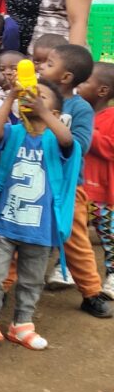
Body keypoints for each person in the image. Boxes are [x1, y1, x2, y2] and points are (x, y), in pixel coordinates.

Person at [0, 80, 80, 350]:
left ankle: (22, 323)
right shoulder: (13, 132)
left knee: (31, 279)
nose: (33, 98)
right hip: (5, 222)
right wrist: (11, 98)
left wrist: (42, 112)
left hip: (41, 228)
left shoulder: (57, 140)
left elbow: (68, 140)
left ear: (55, 114)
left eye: (41, 97)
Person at [38, 45, 112, 317]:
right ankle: (0, 290)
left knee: (76, 240)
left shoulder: (79, 108)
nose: (40, 67)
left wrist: (45, 116)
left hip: (69, 187)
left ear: (65, 77)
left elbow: (80, 145)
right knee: (20, 239)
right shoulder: (35, 96)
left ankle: (91, 292)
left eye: (48, 64)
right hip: (35, 182)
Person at [77, 62, 114, 299]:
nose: (79, 86)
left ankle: (113, 274)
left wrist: (86, 131)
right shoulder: (80, 111)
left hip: (102, 191)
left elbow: (111, 147)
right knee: (75, 231)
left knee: (108, 233)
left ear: (102, 90)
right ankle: (66, 269)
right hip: (79, 187)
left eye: (85, 82)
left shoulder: (110, 117)